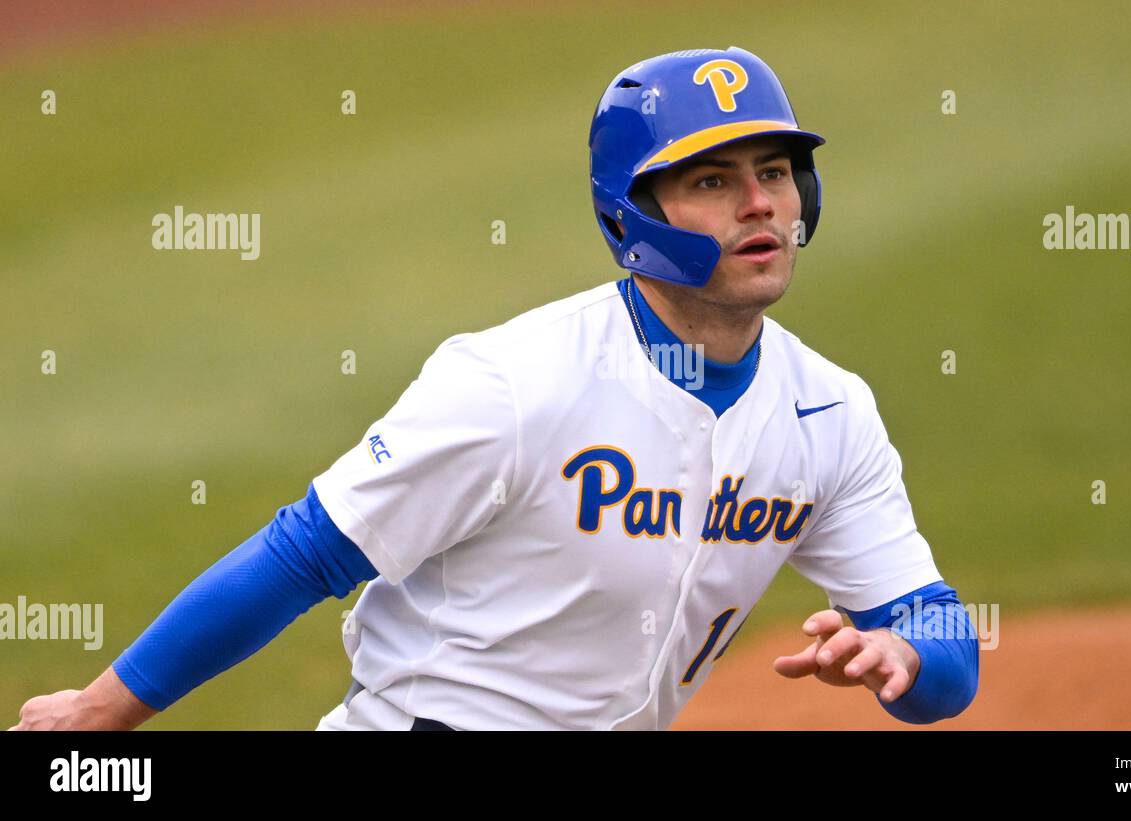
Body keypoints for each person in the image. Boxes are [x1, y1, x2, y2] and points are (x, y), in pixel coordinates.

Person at [9, 46, 978, 732]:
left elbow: (938, 635)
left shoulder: (828, 409)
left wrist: (908, 661)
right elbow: (304, 553)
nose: (760, 202)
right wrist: (102, 711)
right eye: (713, 181)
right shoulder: (516, 380)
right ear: (631, 212)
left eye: (774, 171)